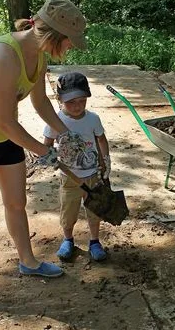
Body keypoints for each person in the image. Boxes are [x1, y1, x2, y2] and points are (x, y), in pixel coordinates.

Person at [0, 0, 88, 323]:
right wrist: (45, 151)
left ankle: (27, 260)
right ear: (54, 35)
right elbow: (4, 121)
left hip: (5, 140)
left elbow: (40, 102)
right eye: (69, 42)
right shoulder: (1, 54)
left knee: (16, 203)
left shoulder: (38, 55)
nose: (70, 49)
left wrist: (66, 134)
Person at [43, 72, 110, 262]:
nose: (77, 106)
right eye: (71, 102)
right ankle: (68, 239)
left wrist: (106, 159)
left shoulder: (92, 119)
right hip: (70, 177)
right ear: (60, 100)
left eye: (82, 101)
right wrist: (49, 156)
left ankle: (95, 242)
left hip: (92, 174)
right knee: (68, 210)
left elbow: (101, 139)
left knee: (94, 209)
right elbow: (47, 144)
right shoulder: (56, 121)